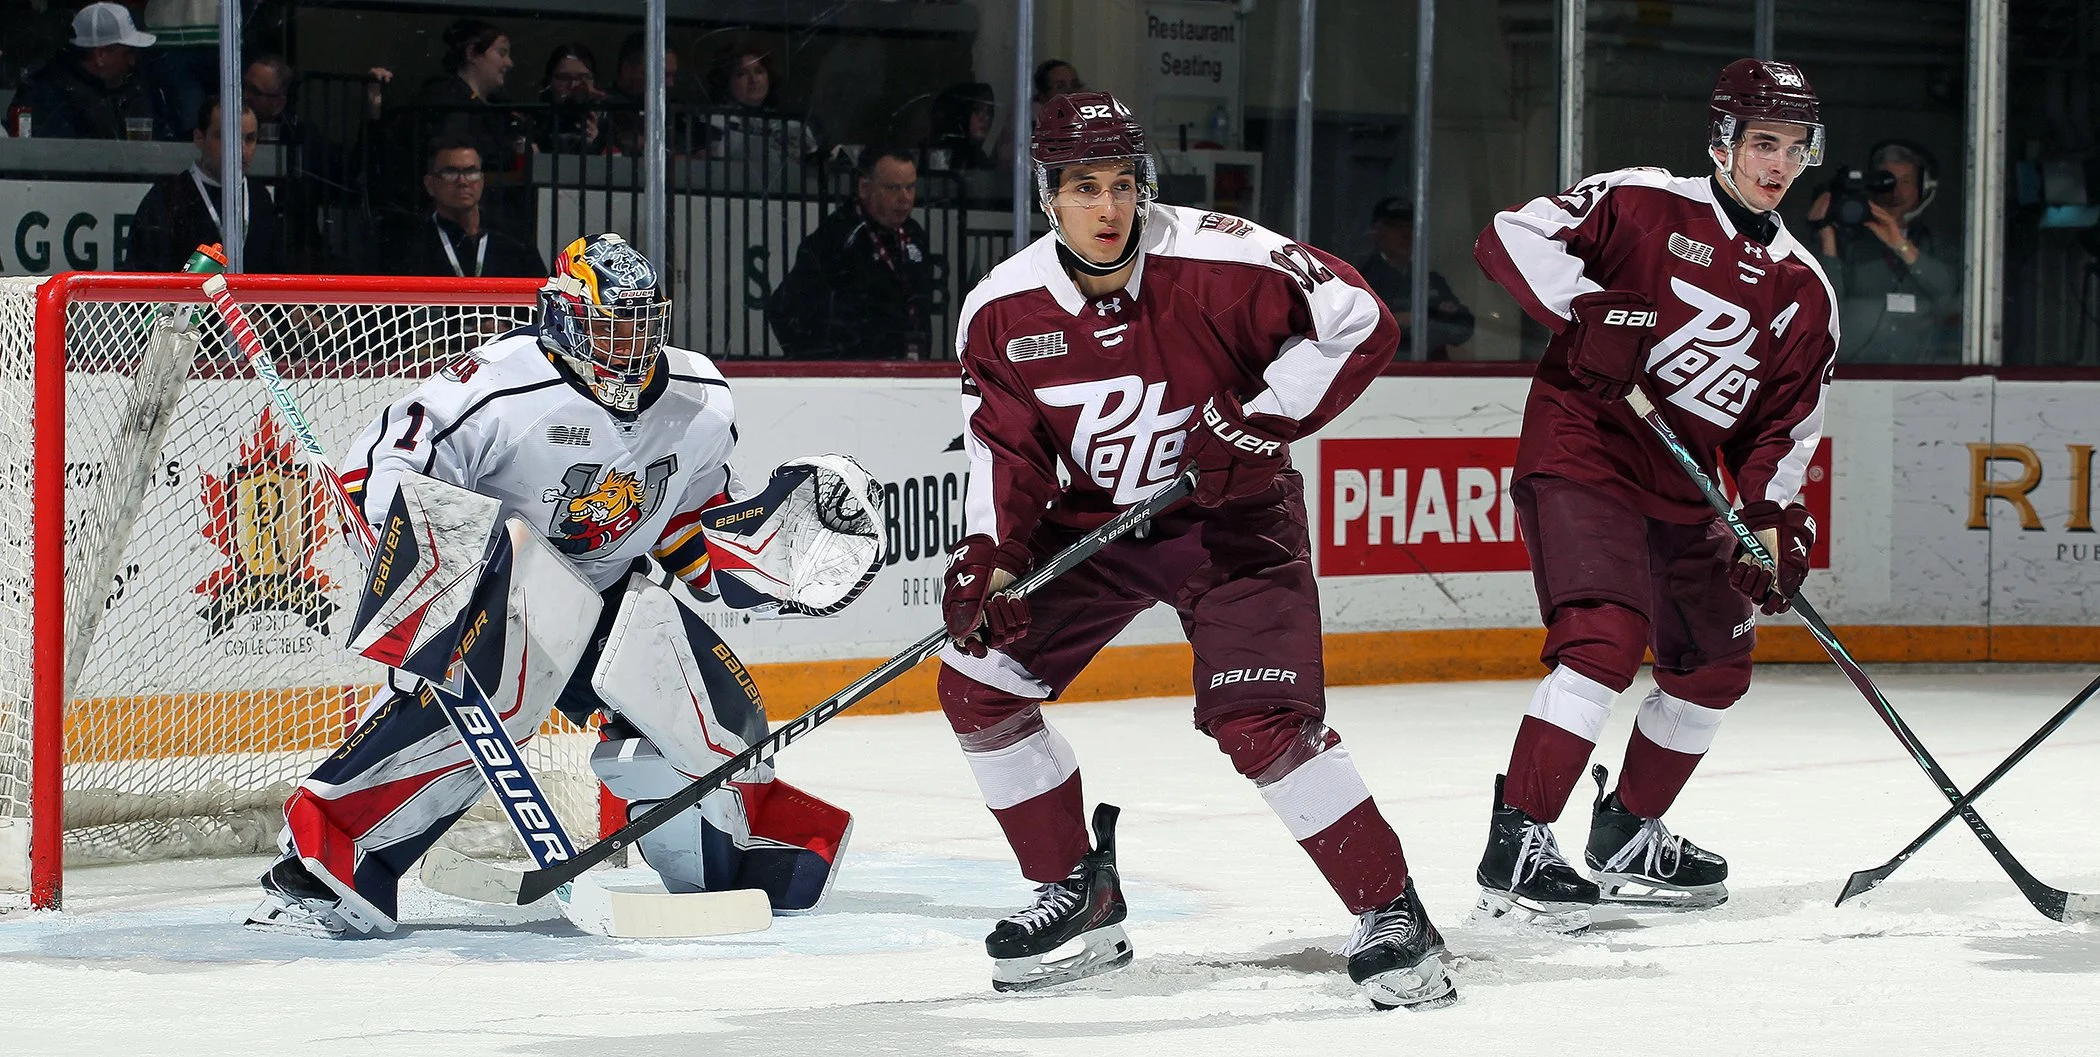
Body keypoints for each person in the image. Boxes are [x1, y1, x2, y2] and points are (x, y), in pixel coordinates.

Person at [935, 91, 1454, 1009]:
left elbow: (1360, 320)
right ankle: (1078, 891)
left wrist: (1256, 421)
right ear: (1046, 196)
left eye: (1123, 185)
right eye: (1083, 187)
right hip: (1094, 525)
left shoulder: (1224, 256)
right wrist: (994, 557)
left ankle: (1392, 908)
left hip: (1230, 520)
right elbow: (1003, 446)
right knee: (979, 683)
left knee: (1259, 723)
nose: (1108, 208)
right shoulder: (1002, 309)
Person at [247, 233, 856, 937]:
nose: (631, 343)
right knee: (506, 678)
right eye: (611, 323)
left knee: (710, 710)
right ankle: (326, 855)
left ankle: (740, 853)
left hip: (610, 595)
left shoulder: (700, 400)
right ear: (563, 317)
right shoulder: (501, 387)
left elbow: (691, 525)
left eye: (643, 322)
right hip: (500, 593)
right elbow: (381, 465)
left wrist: (770, 564)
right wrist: (423, 559)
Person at [1468, 58, 1838, 932]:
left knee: (1715, 662)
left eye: (1793, 146)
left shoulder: (1805, 289)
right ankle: (1518, 838)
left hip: (1682, 488)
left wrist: (1772, 517)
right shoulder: (1642, 199)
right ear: (1722, 141)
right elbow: (1510, 235)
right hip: (1583, 449)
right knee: (1603, 634)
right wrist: (1588, 310)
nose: (1776, 163)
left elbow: (1785, 422)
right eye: (1761, 142)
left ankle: (1629, 829)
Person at [765, 144, 934, 359]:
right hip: (853, 379)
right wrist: (825, 366)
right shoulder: (835, 238)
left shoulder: (914, 234)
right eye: (893, 188)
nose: (905, 198)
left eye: (910, 187)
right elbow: (783, 308)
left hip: (907, 371)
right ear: (864, 188)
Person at [1806, 139, 1960, 363]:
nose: (1894, 192)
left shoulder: (1938, 245)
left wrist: (1898, 242)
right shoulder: (1848, 242)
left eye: (1905, 181)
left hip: (1924, 380)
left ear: (1924, 188)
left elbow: (1948, 292)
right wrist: (1826, 235)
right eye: (1886, 181)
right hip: (1851, 376)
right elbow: (1825, 306)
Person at [120, 95, 284, 272]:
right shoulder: (168, 196)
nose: (241, 150)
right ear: (199, 138)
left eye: (250, 139)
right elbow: (142, 275)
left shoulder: (261, 198)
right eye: (226, 137)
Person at [383, 140, 545, 278]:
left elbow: (543, 302)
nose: (463, 181)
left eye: (471, 172)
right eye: (451, 172)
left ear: (482, 180)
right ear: (430, 184)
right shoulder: (410, 246)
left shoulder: (513, 240)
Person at [14, 2, 165, 141]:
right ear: (100, 55)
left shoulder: (129, 88)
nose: (132, 61)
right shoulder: (46, 95)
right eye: (128, 52)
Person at [1357, 197, 1475, 359]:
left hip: (1431, 374)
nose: (1405, 234)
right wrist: (1432, 318)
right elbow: (1358, 332)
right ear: (1377, 232)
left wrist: (1420, 321)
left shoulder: (1431, 281)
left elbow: (1463, 329)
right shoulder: (1361, 281)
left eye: (1410, 227)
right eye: (1394, 227)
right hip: (1385, 374)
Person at [702, 48, 818, 177]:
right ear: (726, 81)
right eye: (742, 74)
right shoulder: (713, 121)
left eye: (759, 71)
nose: (753, 80)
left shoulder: (793, 125)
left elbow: (812, 171)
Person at [536, 43, 610, 155]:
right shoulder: (536, 117)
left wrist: (596, 142)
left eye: (582, 78)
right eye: (564, 78)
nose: (573, 85)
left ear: (594, 81)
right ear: (549, 81)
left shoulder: (608, 116)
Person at [925, 81, 996, 171]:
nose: (986, 117)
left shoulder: (978, 158)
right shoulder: (939, 154)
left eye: (990, 111)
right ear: (960, 112)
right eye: (977, 109)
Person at [1029, 59, 1081, 126]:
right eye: (1060, 86)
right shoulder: (1033, 128)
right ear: (1043, 96)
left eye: (1075, 85)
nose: (1070, 91)